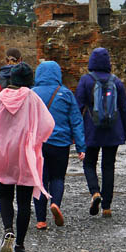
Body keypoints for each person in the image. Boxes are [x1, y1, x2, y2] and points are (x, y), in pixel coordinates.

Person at [0, 63, 54, 252]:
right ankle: (21, 246)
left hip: (1, 152)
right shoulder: (33, 99)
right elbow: (48, 123)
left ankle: (8, 229)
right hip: (23, 154)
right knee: (24, 200)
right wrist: (36, 140)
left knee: (5, 195)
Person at [75, 48, 126, 218]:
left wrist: (77, 133)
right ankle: (106, 206)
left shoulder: (86, 80)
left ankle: (95, 192)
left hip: (92, 129)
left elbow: (78, 107)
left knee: (89, 163)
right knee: (108, 166)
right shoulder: (117, 82)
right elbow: (124, 109)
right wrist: (124, 131)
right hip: (113, 131)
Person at [31, 61, 86, 229]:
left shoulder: (32, 94)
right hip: (61, 143)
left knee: (40, 180)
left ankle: (41, 220)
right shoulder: (66, 94)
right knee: (58, 177)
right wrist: (81, 147)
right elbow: (76, 122)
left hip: (38, 143)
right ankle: (55, 204)